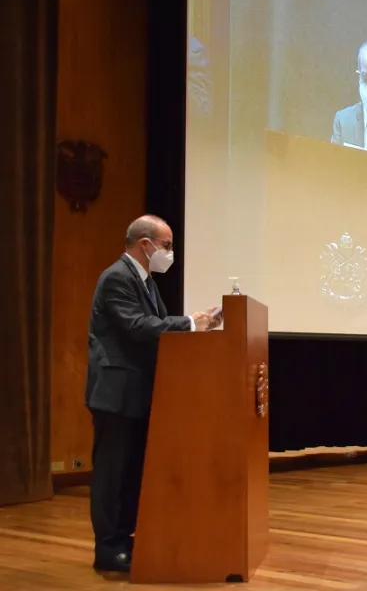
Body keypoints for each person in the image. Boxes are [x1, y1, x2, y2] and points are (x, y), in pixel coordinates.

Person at [85, 215, 220, 572]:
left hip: (138, 392)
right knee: (112, 473)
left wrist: (198, 325)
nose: (170, 253)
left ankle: (124, 537)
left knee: (131, 471)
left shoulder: (146, 282)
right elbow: (136, 326)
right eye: (167, 245)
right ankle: (107, 548)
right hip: (115, 393)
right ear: (145, 244)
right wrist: (189, 323)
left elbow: (155, 329)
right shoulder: (117, 277)